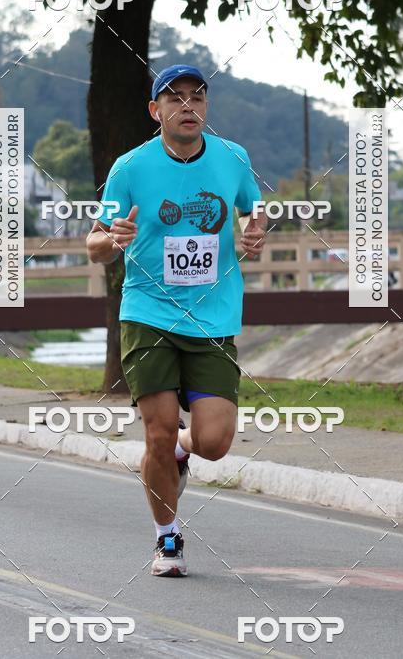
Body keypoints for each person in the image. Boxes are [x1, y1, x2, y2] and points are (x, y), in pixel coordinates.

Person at [86, 64, 266, 577]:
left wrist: (255, 230)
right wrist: (111, 240)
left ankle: (186, 452)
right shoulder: (130, 167)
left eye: (197, 97)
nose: (188, 106)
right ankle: (168, 538)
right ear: (155, 110)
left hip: (212, 316)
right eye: (175, 98)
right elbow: (95, 243)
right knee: (158, 433)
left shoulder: (233, 158)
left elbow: (256, 210)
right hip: (149, 314)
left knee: (214, 442)